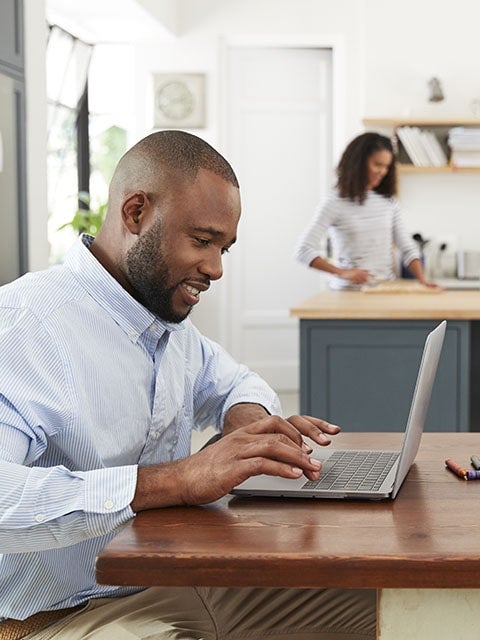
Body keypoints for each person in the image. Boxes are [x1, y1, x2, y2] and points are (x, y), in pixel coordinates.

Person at [0, 130, 376, 640]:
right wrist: (178, 479)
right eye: (202, 241)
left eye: (224, 247)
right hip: (59, 617)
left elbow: (236, 382)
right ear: (136, 214)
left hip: (173, 583)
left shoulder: (166, 322)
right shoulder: (24, 325)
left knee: (393, 604)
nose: (216, 268)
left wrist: (253, 427)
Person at [294, 131, 438, 290]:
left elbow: (407, 248)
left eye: (386, 167)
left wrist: (422, 280)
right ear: (358, 163)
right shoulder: (335, 202)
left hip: (382, 290)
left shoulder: (388, 202)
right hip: (348, 293)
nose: (382, 172)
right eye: (377, 164)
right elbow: (303, 250)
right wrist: (342, 272)